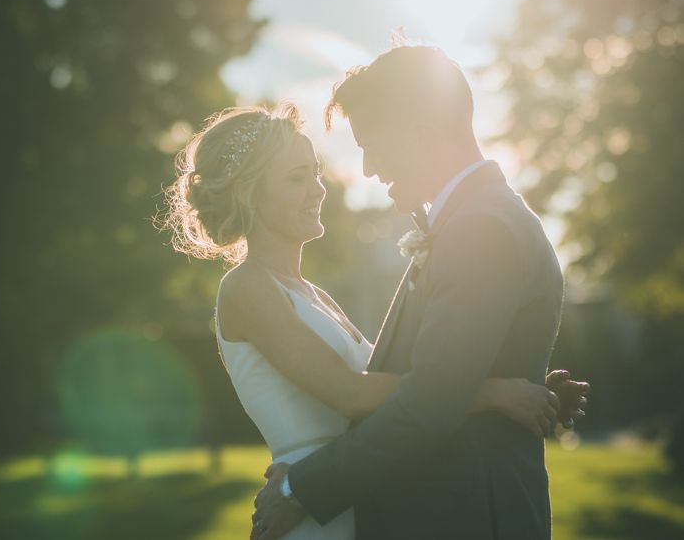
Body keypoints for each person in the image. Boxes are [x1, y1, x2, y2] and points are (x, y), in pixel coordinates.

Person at [160, 92, 588, 540]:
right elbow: (351, 394)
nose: (318, 190)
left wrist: (528, 389)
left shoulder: (312, 295)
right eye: (296, 178)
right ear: (251, 195)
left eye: (316, 173)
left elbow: (403, 388)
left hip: (351, 501)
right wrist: (493, 392)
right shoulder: (246, 288)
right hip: (312, 514)